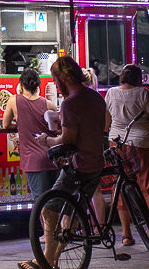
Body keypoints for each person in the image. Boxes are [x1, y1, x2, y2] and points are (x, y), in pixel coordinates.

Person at [36, 56, 106, 268]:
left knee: (48, 210)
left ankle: (46, 261)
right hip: (96, 162)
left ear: (63, 79)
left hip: (80, 166)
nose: (56, 86)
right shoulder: (96, 98)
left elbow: (67, 140)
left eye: (56, 81)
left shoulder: (70, 104)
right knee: (72, 214)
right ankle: (55, 260)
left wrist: (46, 140)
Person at [2, 68, 58, 269]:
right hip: (52, 159)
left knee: (44, 207)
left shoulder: (13, 101)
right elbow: (56, 128)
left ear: (21, 84)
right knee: (53, 204)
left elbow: (5, 123)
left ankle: (48, 251)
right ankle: (53, 249)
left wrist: (20, 121)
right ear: (38, 85)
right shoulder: (48, 104)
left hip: (34, 162)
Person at [104, 64, 149, 248]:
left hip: (116, 143)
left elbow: (106, 122)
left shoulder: (111, 93)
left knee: (121, 185)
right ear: (139, 79)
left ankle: (126, 234)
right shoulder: (143, 93)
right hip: (142, 144)